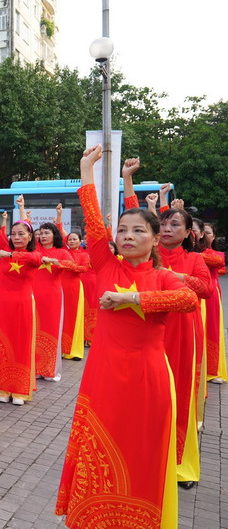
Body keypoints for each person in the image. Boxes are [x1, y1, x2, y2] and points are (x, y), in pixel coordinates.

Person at [56, 145, 199, 527]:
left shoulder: (164, 276)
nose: (127, 235)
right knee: (98, 449)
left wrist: (132, 297)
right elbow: (91, 220)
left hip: (148, 380)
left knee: (141, 454)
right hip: (103, 377)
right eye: (122, 229)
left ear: (156, 240)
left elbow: (189, 298)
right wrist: (87, 170)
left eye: (139, 230)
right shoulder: (105, 264)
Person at [125, 159, 211, 490]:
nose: (168, 228)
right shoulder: (150, 255)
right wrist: (127, 180)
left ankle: (180, 465)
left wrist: (178, 277)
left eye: (176, 224)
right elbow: (134, 217)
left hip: (181, 333)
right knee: (145, 396)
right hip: (148, 331)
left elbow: (203, 289)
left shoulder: (194, 259)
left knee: (179, 394)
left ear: (189, 232)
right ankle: (144, 457)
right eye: (164, 223)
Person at [0, 188, 41, 405]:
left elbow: (33, 260)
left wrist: (21, 209)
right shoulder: (2, 246)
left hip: (23, 306)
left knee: (21, 345)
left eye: (22, 234)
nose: (17, 237)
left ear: (30, 237)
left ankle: (19, 389)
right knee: (1, 344)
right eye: (14, 234)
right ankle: (2, 387)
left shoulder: (33, 255)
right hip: (1, 306)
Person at [33, 220, 72, 381]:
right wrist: (21, 208)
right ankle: (35, 367)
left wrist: (55, 262)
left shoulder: (61, 252)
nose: (43, 236)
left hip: (52, 296)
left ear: (54, 235)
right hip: (34, 295)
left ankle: (51, 370)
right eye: (41, 233)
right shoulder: (35, 250)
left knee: (51, 329)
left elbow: (73, 265)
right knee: (34, 330)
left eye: (46, 233)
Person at [55, 204, 90, 362]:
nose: (72, 241)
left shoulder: (84, 255)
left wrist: (64, 265)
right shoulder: (64, 251)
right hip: (61, 287)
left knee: (74, 318)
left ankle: (74, 351)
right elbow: (58, 229)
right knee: (62, 317)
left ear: (80, 241)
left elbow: (82, 269)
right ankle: (61, 349)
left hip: (75, 288)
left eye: (75, 239)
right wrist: (59, 215)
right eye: (70, 239)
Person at [201, 223, 226, 383]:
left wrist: (192, 254)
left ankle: (212, 370)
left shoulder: (216, 254)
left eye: (207, 232)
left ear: (213, 236)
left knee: (211, 329)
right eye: (201, 232)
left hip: (211, 296)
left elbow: (219, 264)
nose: (204, 235)